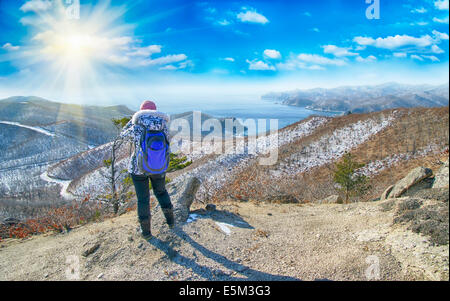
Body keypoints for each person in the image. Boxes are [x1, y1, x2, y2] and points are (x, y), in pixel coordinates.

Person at [120, 100, 173, 239]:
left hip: (138, 168)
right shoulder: (164, 126)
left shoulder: (137, 126)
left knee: (143, 199)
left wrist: (132, 121)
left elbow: (122, 136)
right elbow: (168, 143)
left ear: (141, 111)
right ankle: (171, 222)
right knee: (161, 192)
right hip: (159, 167)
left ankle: (146, 233)